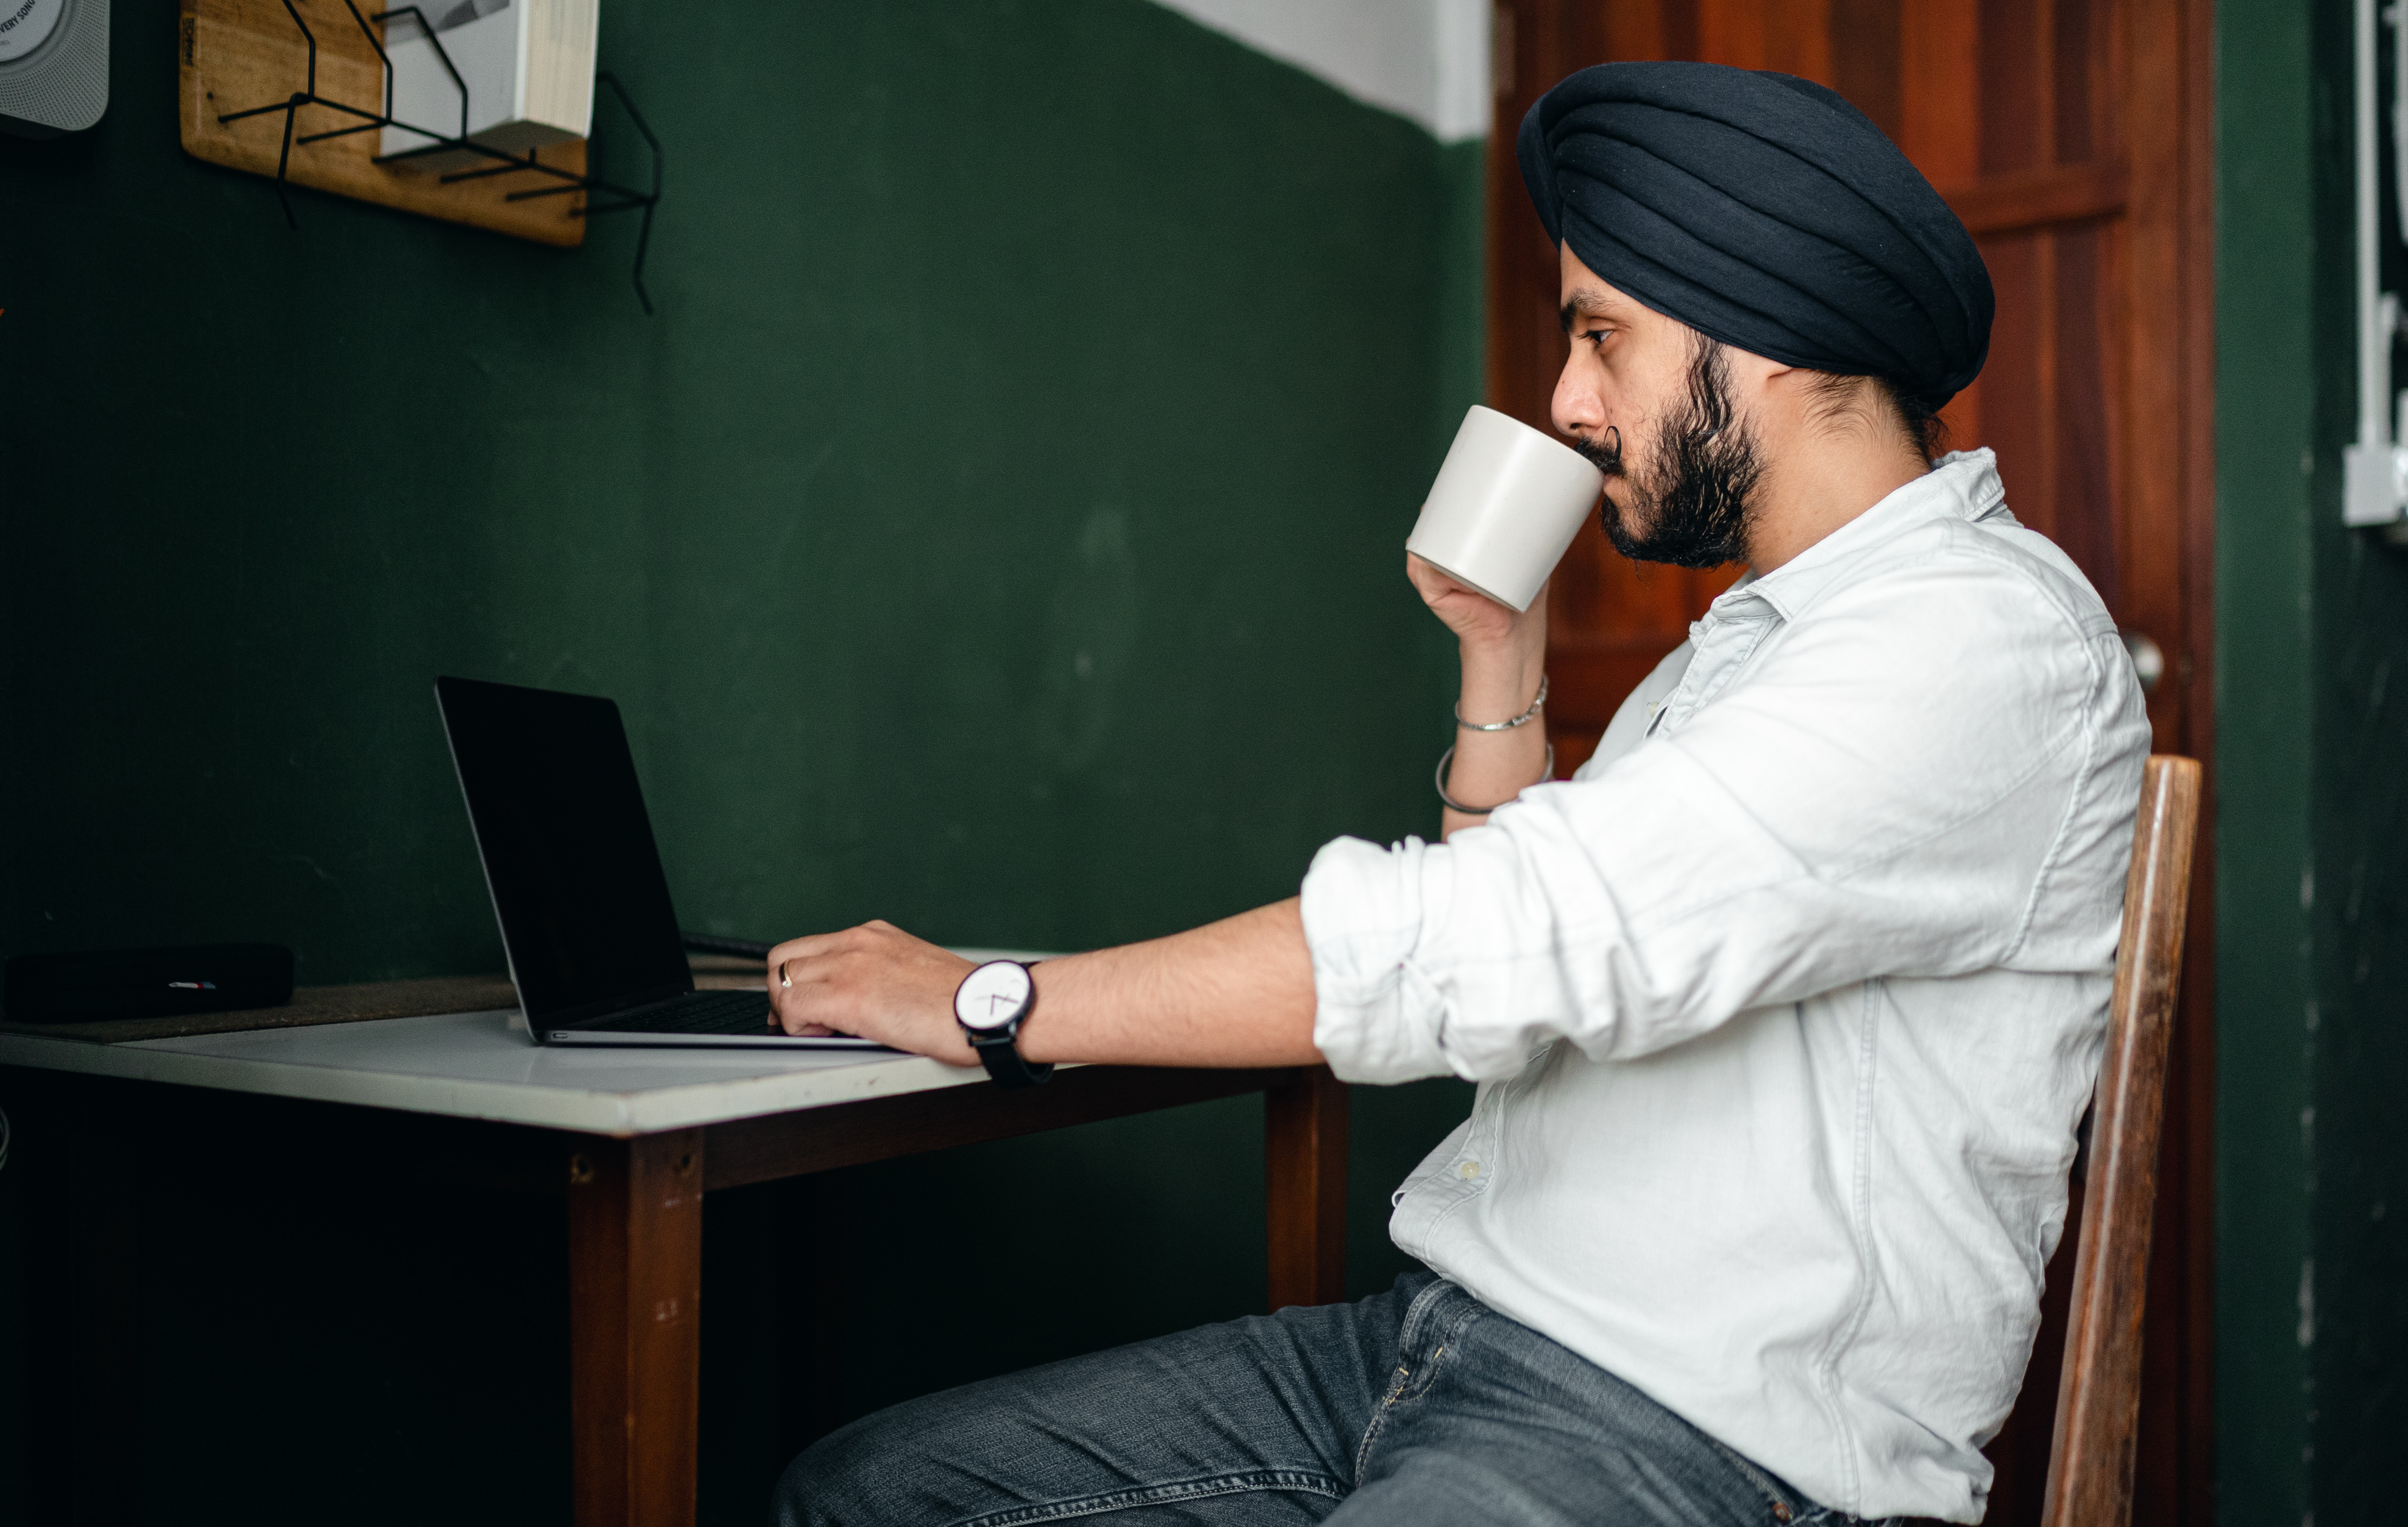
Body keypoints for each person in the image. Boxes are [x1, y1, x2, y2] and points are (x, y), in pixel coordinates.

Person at [764, 60, 2148, 1527]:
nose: (1565, 399)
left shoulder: (1971, 640)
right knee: (867, 1493)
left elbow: (1491, 941)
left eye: (1603, 338)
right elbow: (1525, 980)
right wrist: (1502, 652)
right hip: (1439, 1339)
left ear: (1781, 342)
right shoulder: (1747, 645)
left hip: (1706, 1435)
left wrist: (993, 1000)